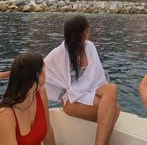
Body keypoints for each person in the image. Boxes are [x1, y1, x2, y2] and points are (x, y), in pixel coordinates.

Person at [44, 14, 120, 145]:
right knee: (115, 108)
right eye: (88, 29)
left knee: (112, 88)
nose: (89, 31)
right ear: (84, 32)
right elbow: (37, 68)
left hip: (90, 91)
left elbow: (96, 78)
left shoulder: (90, 47)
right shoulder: (60, 52)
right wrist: (6, 74)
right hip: (71, 99)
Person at [0, 53, 55, 145]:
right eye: (43, 69)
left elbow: (48, 132)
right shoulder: (5, 115)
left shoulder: (41, 93)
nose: (46, 72)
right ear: (37, 75)